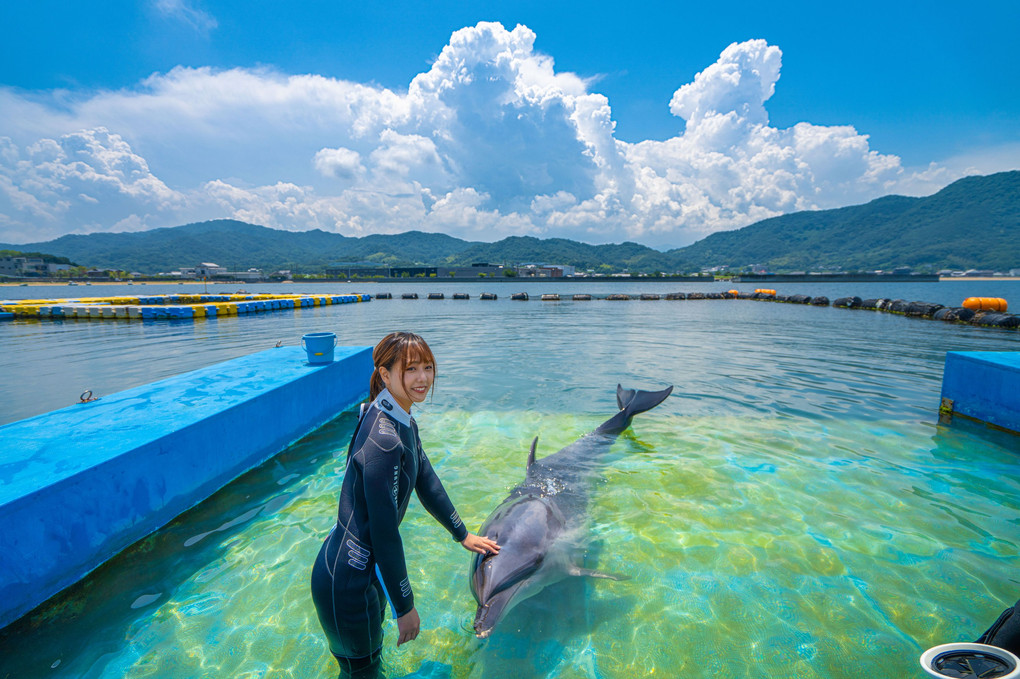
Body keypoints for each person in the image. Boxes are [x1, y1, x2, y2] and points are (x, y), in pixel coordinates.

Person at [310, 331, 499, 678]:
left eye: (428, 367)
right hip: (348, 583)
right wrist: (405, 606)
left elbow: (423, 473)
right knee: (362, 672)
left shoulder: (397, 417)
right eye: (411, 369)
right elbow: (383, 535)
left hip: (360, 572)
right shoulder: (383, 440)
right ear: (385, 375)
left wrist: (462, 534)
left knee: (368, 664)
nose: (423, 378)